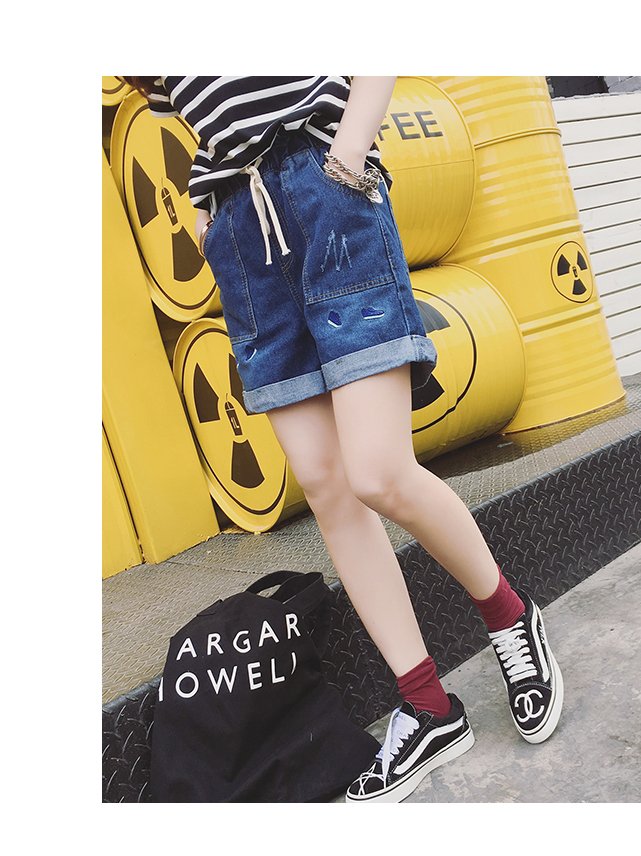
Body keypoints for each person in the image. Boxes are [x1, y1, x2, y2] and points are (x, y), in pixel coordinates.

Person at [122, 76, 563, 803]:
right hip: (239, 224)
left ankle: (510, 617)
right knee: (328, 489)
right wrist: (208, 213)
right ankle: (428, 706)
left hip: (323, 181)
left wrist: (349, 150)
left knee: (378, 472)